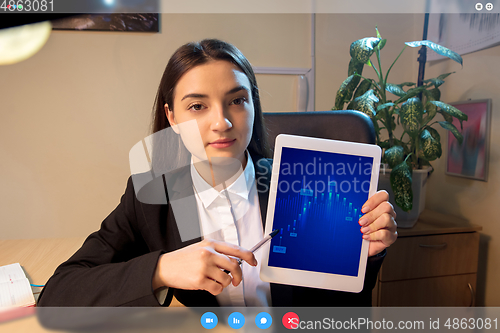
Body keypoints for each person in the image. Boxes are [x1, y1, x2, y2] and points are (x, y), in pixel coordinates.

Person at [38, 39, 397, 307]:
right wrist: (161, 269)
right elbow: (59, 292)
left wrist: (363, 256)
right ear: (172, 118)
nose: (222, 122)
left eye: (237, 100)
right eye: (197, 106)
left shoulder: (303, 186)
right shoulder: (150, 198)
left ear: (254, 105)